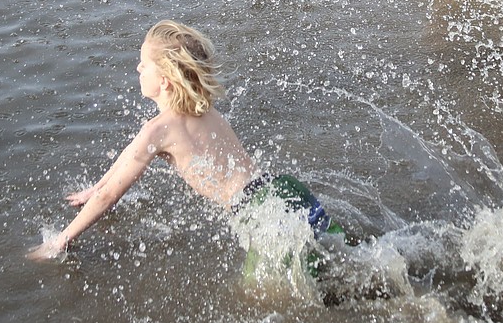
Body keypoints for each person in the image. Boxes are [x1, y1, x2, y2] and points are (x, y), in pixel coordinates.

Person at [27, 20, 343, 264]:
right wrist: (94, 189)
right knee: (342, 256)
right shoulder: (203, 108)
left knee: (261, 295)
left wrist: (61, 240)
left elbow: (111, 196)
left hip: (259, 215)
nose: (138, 68)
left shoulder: (158, 130)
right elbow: (125, 160)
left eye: (144, 64)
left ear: (164, 80)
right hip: (281, 189)